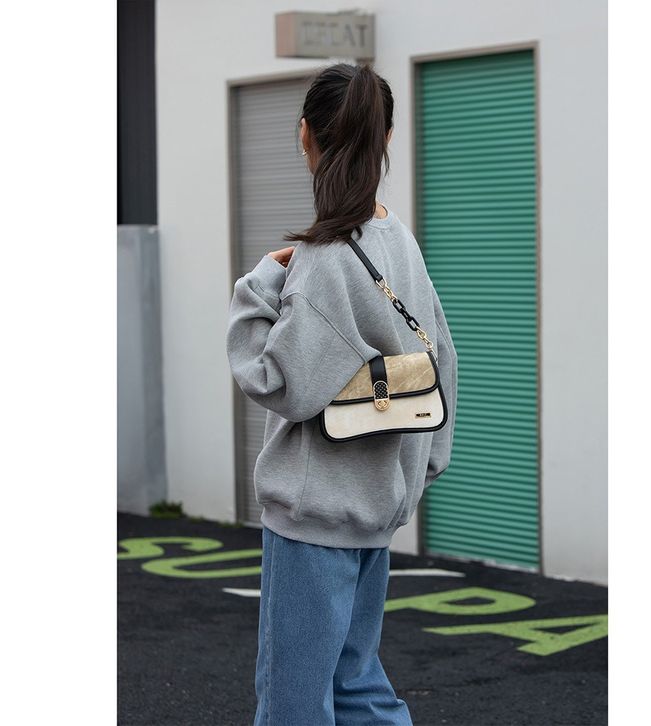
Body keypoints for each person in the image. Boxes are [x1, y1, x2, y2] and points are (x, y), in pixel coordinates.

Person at [226, 62, 458, 726]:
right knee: (357, 685)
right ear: (386, 138)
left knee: (294, 702)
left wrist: (257, 287)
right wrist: (415, 474)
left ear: (305, 135)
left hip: (313, 520)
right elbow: (442, 359)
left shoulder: (325, 258)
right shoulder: (399, 241)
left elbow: (275, 379)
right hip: (376, 509)